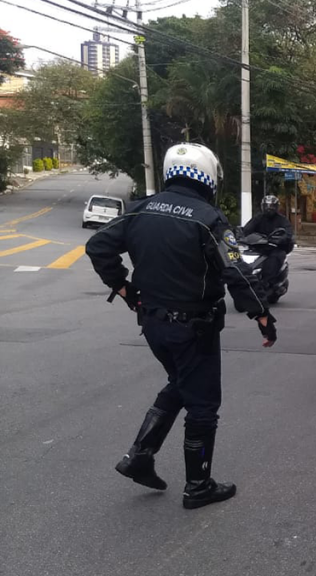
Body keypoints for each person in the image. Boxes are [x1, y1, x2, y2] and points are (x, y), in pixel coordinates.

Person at [85, 142, 277, 510]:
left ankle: (140, 455)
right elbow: (235, 268)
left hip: (152, 323)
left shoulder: (140, 208)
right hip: (194, 327)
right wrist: (262, 315)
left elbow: (97, 246)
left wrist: (124, 288)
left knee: (180, 383)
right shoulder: (208, 218)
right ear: (208, 176)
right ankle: (198, 486)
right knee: (203, 405)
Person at [241, 195, 294, 291]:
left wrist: (280, 239)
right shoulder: (258, 218)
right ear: (262, 206)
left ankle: (267, 282)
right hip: (258, 247)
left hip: (275, 248)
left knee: (275, 258)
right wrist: (240, 235)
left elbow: (288, 233)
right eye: (266, 206)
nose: (269, 208)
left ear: (276, 207)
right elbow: (247, 229)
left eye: (272, 206)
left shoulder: (282, 220)